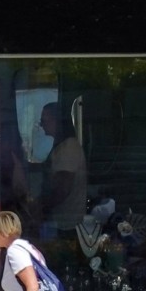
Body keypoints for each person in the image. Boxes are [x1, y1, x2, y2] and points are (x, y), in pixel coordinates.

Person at [39, 101, 86, 240]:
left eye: (44, 120)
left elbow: (62, 188)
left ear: (56, 120)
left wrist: (40, 207)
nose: (42, 124)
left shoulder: (68, 148)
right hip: (60, 221)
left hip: (66, 225)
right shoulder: (61, 147)